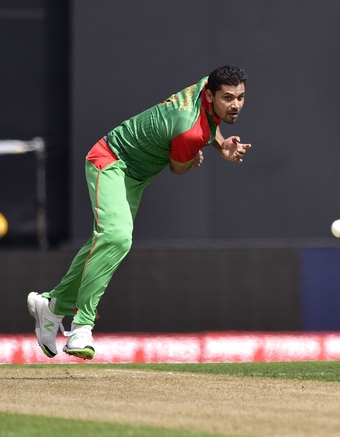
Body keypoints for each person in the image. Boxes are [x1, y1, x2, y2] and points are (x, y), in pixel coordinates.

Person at [27, 65, 251, 361]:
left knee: (107, 245)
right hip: (110, 160)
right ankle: (82, 326)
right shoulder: (188, 131)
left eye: (240, 97)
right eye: (227, 98)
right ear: (210, 95)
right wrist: (193, 158)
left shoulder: (204, 87)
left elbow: (209, 124)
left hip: (135, 177)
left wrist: (221, 145)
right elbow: (178, 166)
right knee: (117, 239)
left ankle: (52, 306)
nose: (235, 105)